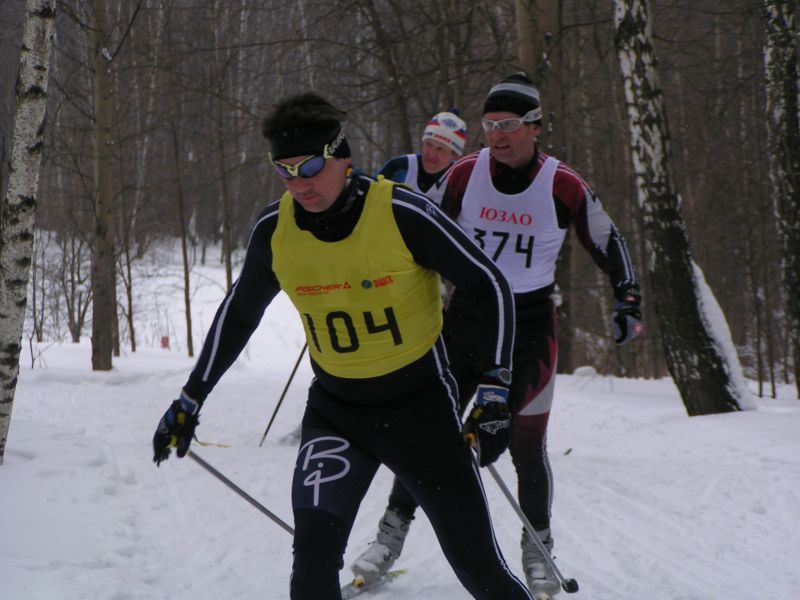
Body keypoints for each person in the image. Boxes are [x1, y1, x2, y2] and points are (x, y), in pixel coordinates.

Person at [152, 92, 533, 600]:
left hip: (420, 409)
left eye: (310, 166)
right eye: (283, 170)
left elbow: (490, 284)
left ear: (342, 157)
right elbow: (240, 313)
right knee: (312, 564)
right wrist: (190, 397)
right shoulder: (276, 231)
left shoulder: (400, 211)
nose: (299, 183)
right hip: (338, 413)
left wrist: (494, 387)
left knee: (478, 569)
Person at [352, 73, 643, 597]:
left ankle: (538, 550)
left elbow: (607, 236)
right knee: (427, 434)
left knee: (521, 444)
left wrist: (628, 296)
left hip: (531, 329)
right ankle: (388, 540)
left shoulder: (562, 183)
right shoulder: (465, 174)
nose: (497, 136)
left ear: (534, 127)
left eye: (508, 125)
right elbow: (416, 228)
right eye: (489, 125)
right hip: (464, 321)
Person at [377, 109, 467, 205]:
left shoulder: (460, 181)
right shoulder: (400, 168)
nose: (431, 154)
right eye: (429, 144)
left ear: (454, 155)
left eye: (440, 149)